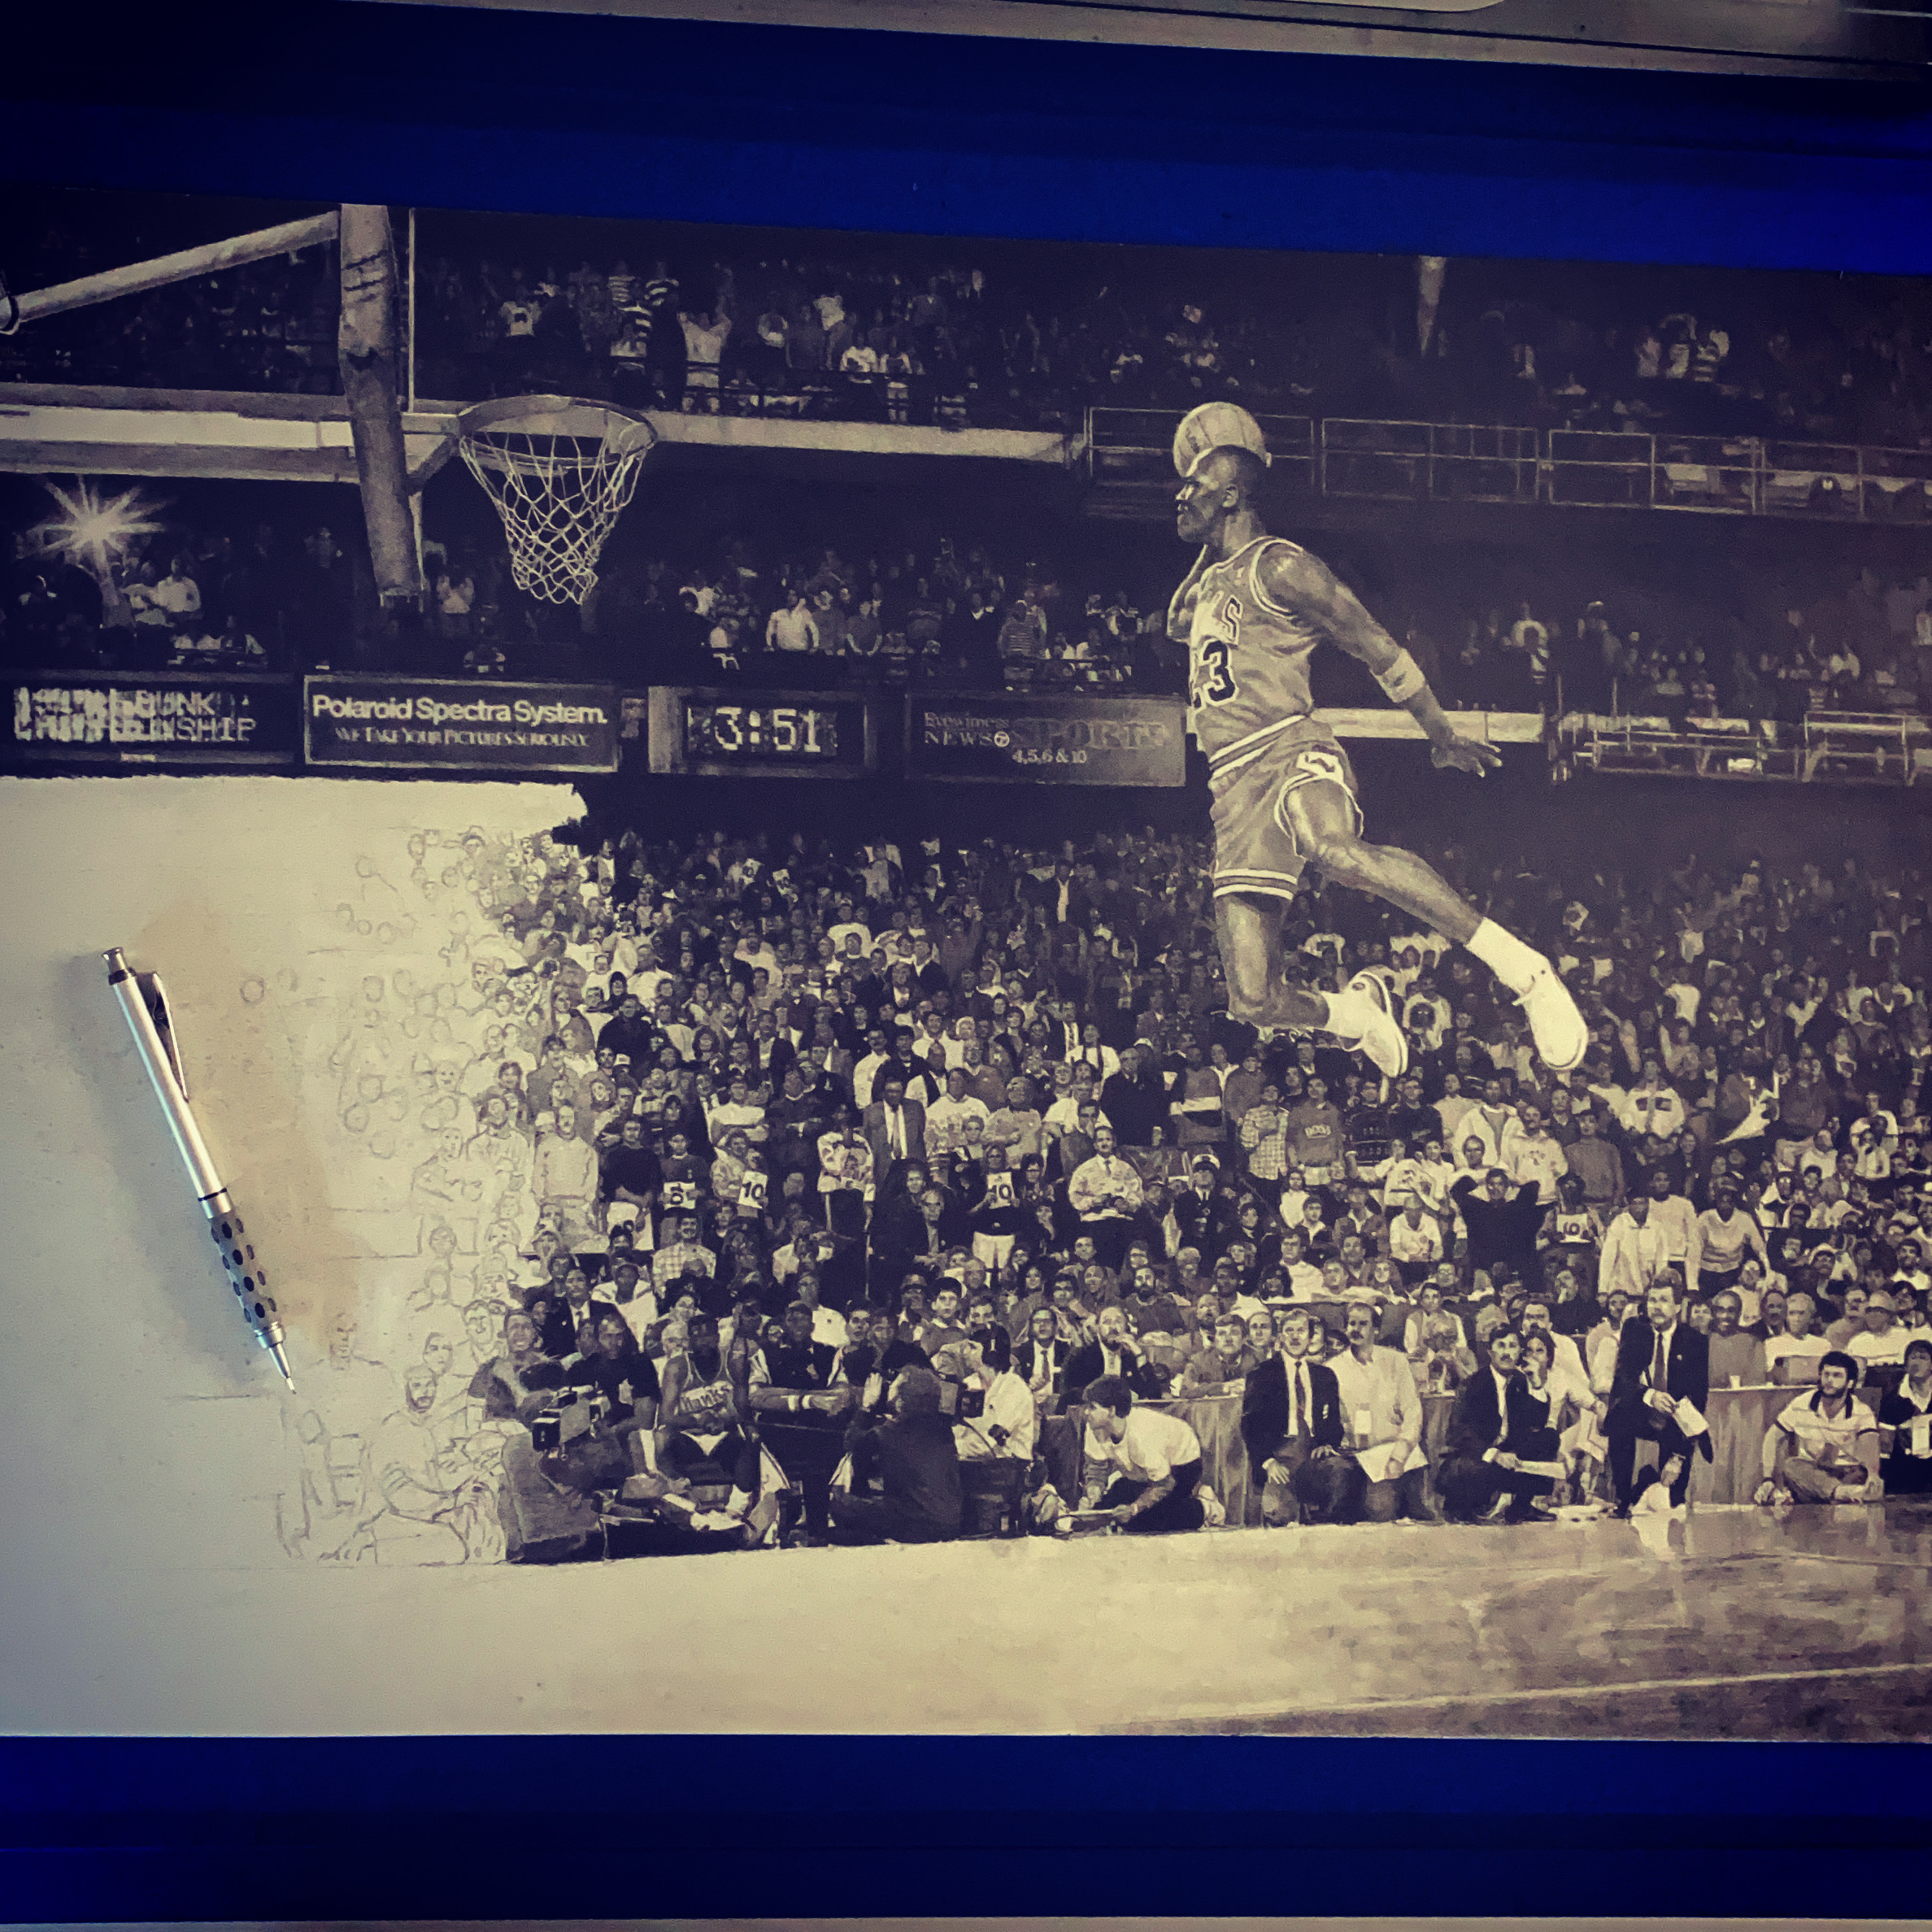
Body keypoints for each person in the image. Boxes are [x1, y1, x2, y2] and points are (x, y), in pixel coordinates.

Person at [1164, 401, 1586, 1079]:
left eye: (1195, 483)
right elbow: (1175, 623)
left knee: (1334, 850)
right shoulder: (1209, 582)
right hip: (1231, 787)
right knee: (1252, 999)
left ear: (1234, 493)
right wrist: (1208, 535)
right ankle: (1356, 1017)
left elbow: (1375, 645)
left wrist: (1439, 731)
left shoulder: (1284, 567)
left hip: (1287, 747)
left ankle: (1524, 970)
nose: (1179, 494)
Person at [1603, 1278, 1712, 1513]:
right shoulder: (1634, 1330)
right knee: (1619, 1416)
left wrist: (1678, 1458)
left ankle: (1667, 1491)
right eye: (1652, 1300)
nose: (1656, 1307)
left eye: (1664, 1300)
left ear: (1677, 1307)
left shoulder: (1695, 1341)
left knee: (1670, 1505)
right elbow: (1623, 1379)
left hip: (1678, 1416)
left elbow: (1697, 1399)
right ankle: (1622, 1499)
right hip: (1643, 1408)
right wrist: (1650, 1395)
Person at [655, 1311, 768, 1531]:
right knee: (661, 1437)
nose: (702, 1342)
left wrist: (722, 1419)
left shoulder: (733, 1363)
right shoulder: (678, 1366)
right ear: (689, 1341)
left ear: (717, 1338)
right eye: (696, 1337)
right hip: (689, 1437)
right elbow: (666, 1416)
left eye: (707, 1336)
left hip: (724, 1435)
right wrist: (698, 1419)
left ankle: (737, 1508)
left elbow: (744, 1410)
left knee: (752, 1435)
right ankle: (685, 1503)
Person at [1435, 1327, 1561, 1524]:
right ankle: (1465, 1507)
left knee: (1549, 1438)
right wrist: (1496, 1454)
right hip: (1475, 1457)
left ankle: (1520, 1507)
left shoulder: (1519, 1380)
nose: (1506, 1352)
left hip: (1505, 1453)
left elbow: (1537, 1423)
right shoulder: (1473, 1384)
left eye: (1512, 1346)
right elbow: (1461, 1433)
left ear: (1520, 1353)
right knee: (1476, 1470)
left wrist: (1536, 1384)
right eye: (1501, 1346)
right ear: (1490, 1352)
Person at [1239, 1305, 1349, 1525]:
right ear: (1280, 1337)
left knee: (1342, 1471)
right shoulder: (1262, 1374)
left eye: (1301, 1331)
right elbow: (1250, 1425)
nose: (1295, 1336)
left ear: (1310, 1337)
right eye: (1289, 1331)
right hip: (1280, 1456)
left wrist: (1327, 1443)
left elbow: (1334, 1422)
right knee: (1279, 1514)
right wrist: (1268, 1462)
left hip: (1313, 1457)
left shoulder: (1325, 1376)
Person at [831, 1365, 964, 1544]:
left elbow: (853, 1442)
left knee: (841, 1505)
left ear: (901, 1399)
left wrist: (866, 1407)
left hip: (915, 1522)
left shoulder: (888, 1433)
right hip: (949, 1523)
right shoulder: (943, 1430)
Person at [1329, 1300, 1434, 1522]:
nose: (1356, 1329)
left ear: (1375, 1329)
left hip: (1392, 1451)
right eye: (1352, 1323)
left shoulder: (1396, 1361)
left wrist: (1399, 1455)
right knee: (1375, 1512)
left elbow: (1412, 1411)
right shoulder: (1333, 1368)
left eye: (1363, 1324)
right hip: (1354, 1455)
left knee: (1384, 1510)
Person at [1079, 1374, 1208, 1533]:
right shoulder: (1094, 1427)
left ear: (1111, 1410)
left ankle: (1203, 1507)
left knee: (1142, 1521)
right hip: (1143, 1472)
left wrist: (1135, 1508)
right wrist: (1094, 1491)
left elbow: (1164, 1484)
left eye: (1092, 1407)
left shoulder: (1142, 1435)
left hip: (1182, 1465)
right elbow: (1096, 1468)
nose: (1086, 1412)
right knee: (1106, 1509)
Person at [1754, 1351, 1884, 1505]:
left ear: (1850, 1383)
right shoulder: (1801, 1404)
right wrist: (1767, 1479)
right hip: (1814, 1473)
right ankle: (1841, 1495)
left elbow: (1870, 1446)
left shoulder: (1861, 1411)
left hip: (1848, 1473)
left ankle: (1834, 1495)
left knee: (1859, 1475)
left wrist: (1873, 1476)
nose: (1829, 1380)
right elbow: (1773, 1436)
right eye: (1826, 1374)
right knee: (1791, 1466)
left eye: (1837, 1375)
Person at [1064, 1303, 1166, 1406]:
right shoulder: (1081, 1355)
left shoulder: (1131, 1357)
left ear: (1126, 1327)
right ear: (1097, 1327)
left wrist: (1138, 1353)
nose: (1113, 1327)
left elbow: (1155, 1395)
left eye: (1118, 1322)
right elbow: (1069, 1397)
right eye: (1106, 1322)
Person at [1877, 1338, 1932, 1495]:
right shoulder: (1892, 1400)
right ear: (1906, 1365)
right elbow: (1885, 1446)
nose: (1917, 1363)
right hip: (1904, 1470)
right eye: (1913, 1358)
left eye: (1923, 1358)